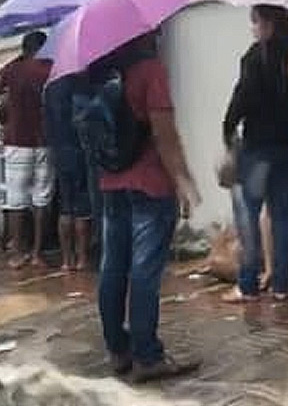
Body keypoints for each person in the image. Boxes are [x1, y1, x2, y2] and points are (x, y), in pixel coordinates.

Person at [96, 32, 202, 382]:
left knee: (113, 267)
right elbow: (164, 134)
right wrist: (184, 181)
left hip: (111, 183)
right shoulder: (150, 70)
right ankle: (147, 356)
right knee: (144, 270)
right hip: (149, 184)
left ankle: (118, 350)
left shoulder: (101, 72)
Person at [221, 5, 288, 303]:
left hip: (257, 146)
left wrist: (227, 128)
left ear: (266, 23)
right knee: (282, 215)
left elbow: (242, 97)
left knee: (248, 215)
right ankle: (281, 284)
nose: (252, 28)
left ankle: (248, 284)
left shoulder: (255, 57)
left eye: (254, 22)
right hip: (287, 144)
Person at [0, 31, 54, 269]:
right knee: (42, 199)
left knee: (16, 200)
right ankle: (37, 253)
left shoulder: (14, 68)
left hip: (17, 142)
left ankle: (18, 252)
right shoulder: (50, 69)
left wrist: (7, 98)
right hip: (44, 141)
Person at [44, 72, 95, 271]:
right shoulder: (81, 86)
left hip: (59, 152)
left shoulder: (50, 89)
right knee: (82, 208)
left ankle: (67, 260)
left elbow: (46, 124)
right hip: (79, 151)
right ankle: (82, 258)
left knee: (65, 206)